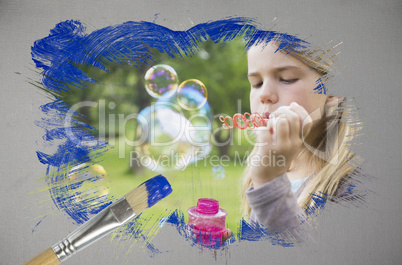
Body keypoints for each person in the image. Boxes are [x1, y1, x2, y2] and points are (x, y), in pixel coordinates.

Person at [240, 39, 364, 239]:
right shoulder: (263, 166)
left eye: (287, 79)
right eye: (257, 83)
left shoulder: (351, 185)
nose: (264, 94)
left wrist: (269, 183)